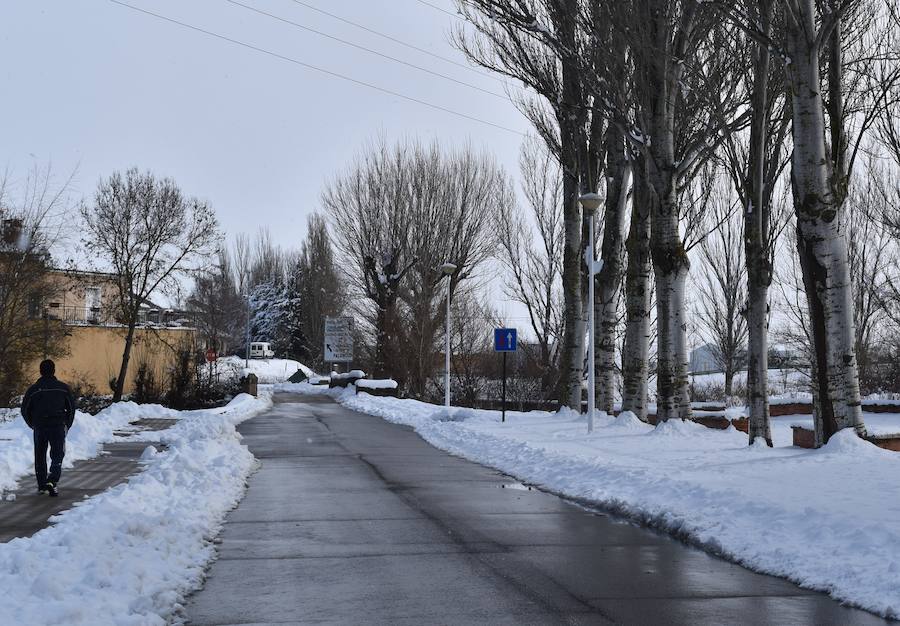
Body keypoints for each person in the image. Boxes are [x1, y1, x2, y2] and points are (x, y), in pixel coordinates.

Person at [21, 359, 76, 497]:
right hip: (57, 425)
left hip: (40, 426)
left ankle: (41, 486)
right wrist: (67, 424)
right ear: (54, 370)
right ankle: (52, 480)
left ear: (40, 371)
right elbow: (71, 408)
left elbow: (25, 409)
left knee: (40, 455)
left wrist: (32, 424)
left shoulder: (33, 390)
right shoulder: (63, 388)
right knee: (58, 454)